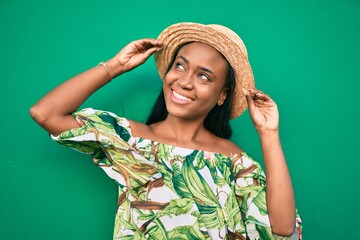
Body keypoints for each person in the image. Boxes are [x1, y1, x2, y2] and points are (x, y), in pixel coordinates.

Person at [30, 22, 302, 239]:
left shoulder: (234, 161)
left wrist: (268, 133)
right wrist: (116, 66)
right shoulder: (131, 140)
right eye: (180, 65)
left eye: (204, 76)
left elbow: (281, 227)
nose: (184, 81)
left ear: (222, 95)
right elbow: (46, 113)